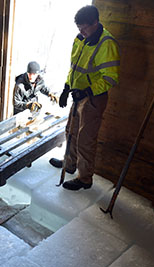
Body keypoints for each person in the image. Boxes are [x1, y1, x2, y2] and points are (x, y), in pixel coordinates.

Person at [49, 5, 120, 191]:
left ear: (95, 23)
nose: (81, 31)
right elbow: (75, 69)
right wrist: (66, 87)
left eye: (84, 27)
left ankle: (84, 178)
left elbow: (110, 78)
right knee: (71, 131)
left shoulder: (106, 44)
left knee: (85, 139)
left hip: (93, 98)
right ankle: (70, 163)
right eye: (79, 27)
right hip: (78, 94)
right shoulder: (81, 38)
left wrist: (87, 91)